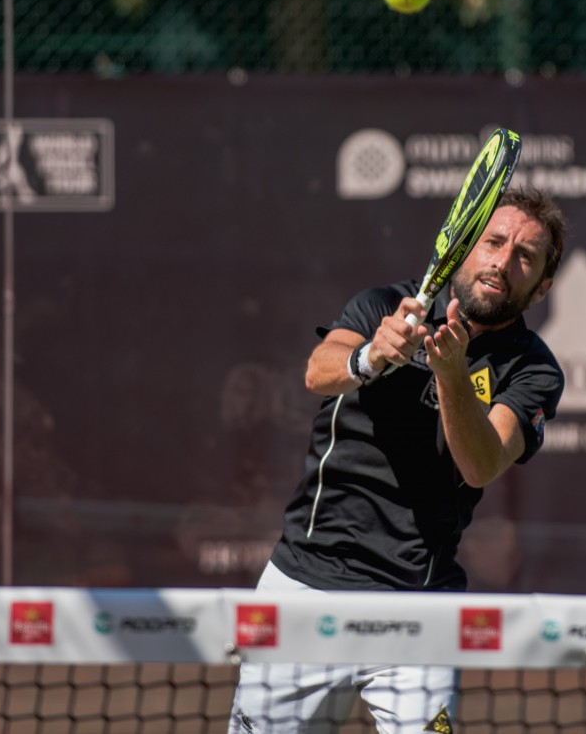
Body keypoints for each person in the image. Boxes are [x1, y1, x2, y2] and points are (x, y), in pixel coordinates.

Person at [228, 187, 568, 734]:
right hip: (304, 591)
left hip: (419, 610)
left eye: (524, 256)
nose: (503, 261)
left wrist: (450, 372)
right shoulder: (382, 304)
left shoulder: (534, 369)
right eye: (494, 241)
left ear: (542, 287)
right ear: (464, 245)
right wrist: (371, 356)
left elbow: (481, 465)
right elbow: (319, 370)